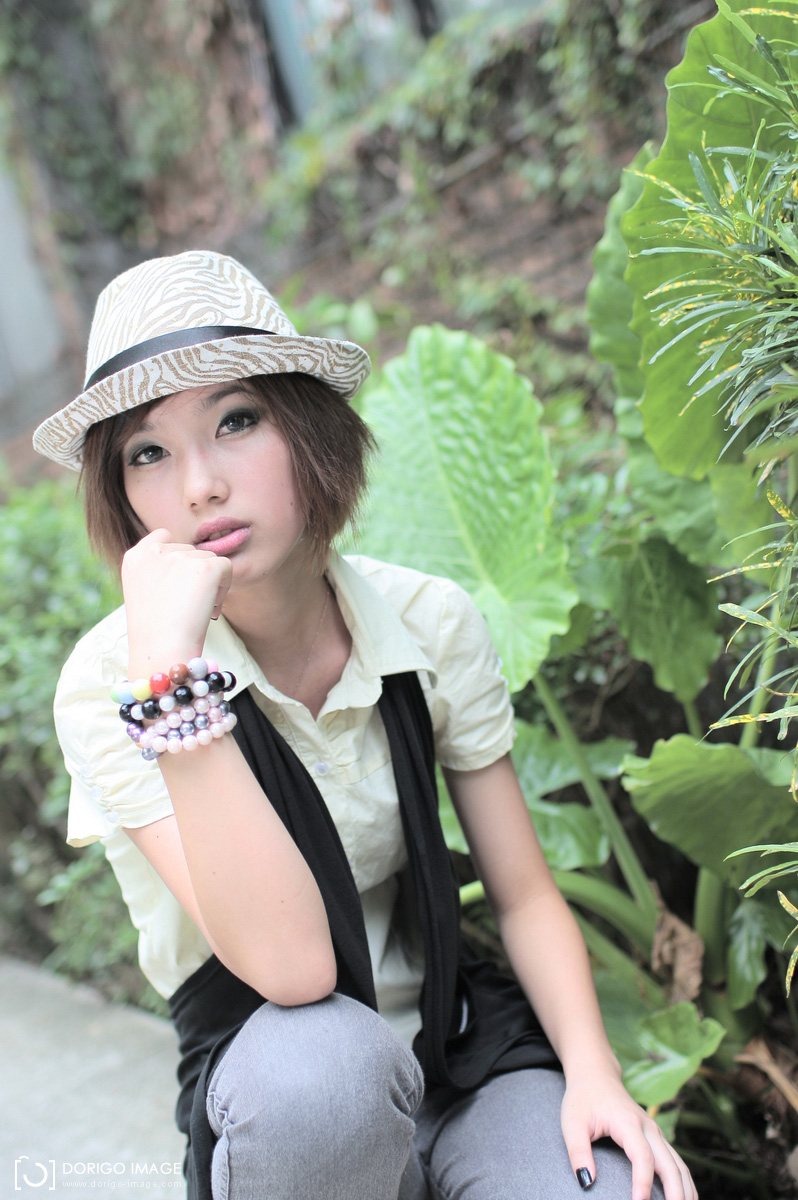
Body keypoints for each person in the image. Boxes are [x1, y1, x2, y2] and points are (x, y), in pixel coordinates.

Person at [35, 250, 696, 1200]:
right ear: (123, 496)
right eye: (148, 453)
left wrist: (596, 1075)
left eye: (237, 421)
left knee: (605, 1183)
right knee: (329, 1077)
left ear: (308, 429)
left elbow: (522, 894)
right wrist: (172, 682)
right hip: (284, 1083)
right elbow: (293, 969)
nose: (200, 486)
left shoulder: (427, 622)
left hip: (456, 1049)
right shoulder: (112, 683)